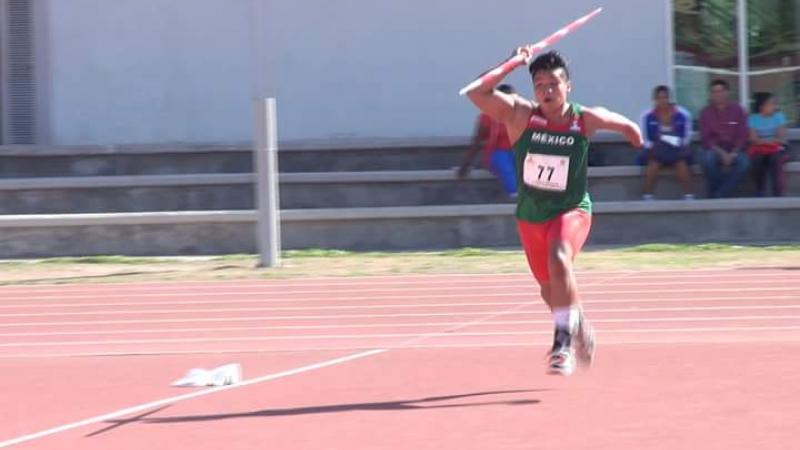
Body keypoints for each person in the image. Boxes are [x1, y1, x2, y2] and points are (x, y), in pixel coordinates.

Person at [464, 49, 643, 376]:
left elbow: (625, 124)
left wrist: (633, 134)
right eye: (540, 84)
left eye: (554, 84)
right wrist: (511, 63)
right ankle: (577, 324)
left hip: (572, 209)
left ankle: (561, 342)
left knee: (559, 256)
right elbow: (476, 92)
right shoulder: (519, 115)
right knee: (549, 289)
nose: (547, 91)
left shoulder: (584, 119)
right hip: (531, 216)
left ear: (568, 87)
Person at [458, 85, 519, 197]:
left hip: (516, 151)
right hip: (496, 153)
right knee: (505, 165)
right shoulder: (487, 117)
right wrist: (466, 165)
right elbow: (476, 142)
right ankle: (515, 194)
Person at [639, 85, 695, 200]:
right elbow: (645, 139)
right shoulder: (647, 116)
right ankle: (648, 196)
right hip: (656, 149)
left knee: (681, 163)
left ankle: (689, 195)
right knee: (654, 164)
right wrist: (656, 146)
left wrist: (670, 141)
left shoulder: (683, 114)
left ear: (670, 98)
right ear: (654, 100)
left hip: (677, 148)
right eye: (659, 98)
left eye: (665, 98)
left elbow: (687, 136)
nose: (662, 101)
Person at [699, 79, 750, 198]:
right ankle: (719, 193)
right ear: (710, 94)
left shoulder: (737, 110)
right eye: (714, 92)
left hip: (735, 149)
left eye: (720, 91)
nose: (717, 94)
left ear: (727, 92)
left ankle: (719, 193)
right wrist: (722, 153)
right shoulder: (705, 113)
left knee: (745, 162)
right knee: (708, 159)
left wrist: (733, 153)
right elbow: (706, 138)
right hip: (715, 149)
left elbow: (742, 135)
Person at [747, 92, 789, 196]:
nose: (774, 106)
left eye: (774, 104)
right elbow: (753, 138)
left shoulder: (779, 116)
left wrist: (763, 140)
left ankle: (778, 193)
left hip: (779, 149)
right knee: (757, 160)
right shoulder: (753, 118)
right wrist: (770, 139)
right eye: (771, 104)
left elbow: (781, 139)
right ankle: (759, 191)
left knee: (775, 159)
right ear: (762, 106)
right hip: (761, 150)